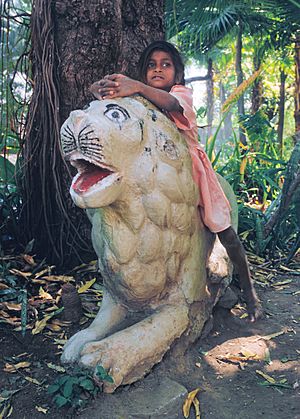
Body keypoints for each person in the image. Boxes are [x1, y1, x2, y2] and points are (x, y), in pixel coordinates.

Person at [89, 40, 261, 322]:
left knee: (223, 229)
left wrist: (138, 86)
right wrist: (97, 89)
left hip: (192, 173)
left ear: (177, 74)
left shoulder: (180, 94)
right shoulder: (139, 102)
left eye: (165, 65)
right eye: (151, 66)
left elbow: (171, 103)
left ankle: (250, 292)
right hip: (158, 177)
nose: (158, 70)